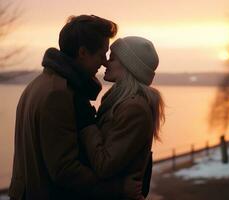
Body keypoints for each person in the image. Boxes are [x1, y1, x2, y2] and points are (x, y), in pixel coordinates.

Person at [8, 15, 141, 200]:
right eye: (101, 55)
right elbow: (65, 170)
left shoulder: (40, 84)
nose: (104, 63)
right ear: (83, 52)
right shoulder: (58, 94)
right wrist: (118, 188)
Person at [79, 36, 165, 200]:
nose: (105, 63)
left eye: (112, 58)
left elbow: (104, 165)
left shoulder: (134, 109)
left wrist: (87, 124)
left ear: (128, 66)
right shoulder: (119, 101)